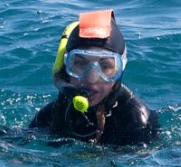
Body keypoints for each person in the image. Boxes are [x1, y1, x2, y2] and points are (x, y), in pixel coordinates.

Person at [30, 9, 159, 146]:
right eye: (80, 63)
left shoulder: (138, 122)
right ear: (66, 66)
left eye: (105, 66)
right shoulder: (58, 111)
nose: (91, 78)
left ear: (120, 70)